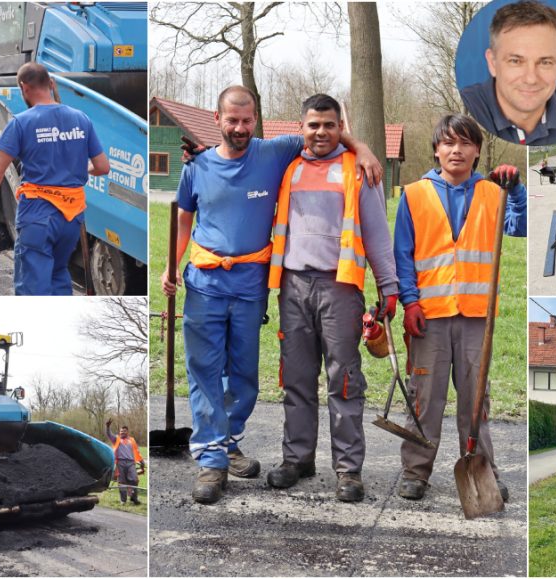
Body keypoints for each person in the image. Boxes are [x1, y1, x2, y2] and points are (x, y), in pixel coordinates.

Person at [161, 86, 381, 505]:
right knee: (204, 370)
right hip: (205, 284)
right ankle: (211, 461)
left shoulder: (274, 152)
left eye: (247, 121)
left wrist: (365, 149)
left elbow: (325, 134)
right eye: (232, 120)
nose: (240, 128)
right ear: (217, 118)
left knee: (245, 375)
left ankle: (228, 441)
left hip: (252, 285)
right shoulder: (197, 166)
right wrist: (171, 265)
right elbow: (184, 218)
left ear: (256, 120)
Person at [264, 94, 398, 503]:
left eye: (329, 125)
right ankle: (297, 459)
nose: (321, 132)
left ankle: (348, 470)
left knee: (344, 380)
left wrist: (389, 287)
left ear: (341, 127)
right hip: (293, 287)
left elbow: (376, 233)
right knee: (297, 378)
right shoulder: (288, 168)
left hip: (340, 288)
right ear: (300, 128)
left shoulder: (359, 169)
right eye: (313, 125)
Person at [392, 114, 527, 502]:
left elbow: (518, 227)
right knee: (424, 399)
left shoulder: (493, 192)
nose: (457, 150)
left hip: (476, 319)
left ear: (477, 151)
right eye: (449, 143)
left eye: (466, 143)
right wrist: (410, 303)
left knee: (475, 401)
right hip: (429, 318)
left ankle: (482, 471)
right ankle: (415, 472)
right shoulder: (414, 194)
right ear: (436, 149)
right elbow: (403, 255)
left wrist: (516, 190)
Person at [0, 63, 110, 295]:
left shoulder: (22, 123)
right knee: (58, 275)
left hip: (38, 216)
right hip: (71, 217)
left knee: (32, 288)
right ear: (50, 84)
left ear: (24, 87)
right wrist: (77, 169)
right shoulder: (81, 119)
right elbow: (102, 167)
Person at [460, 0, 556, 146]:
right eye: (515, 61)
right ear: (492, 63)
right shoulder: (467, 110)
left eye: (545, 62)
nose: (531, 79)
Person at [106, 418, 145, 505]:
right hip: (120, 463)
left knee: (134, 480)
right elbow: (109, 434)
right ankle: (123, 500)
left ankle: (134, 498)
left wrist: (141, 461)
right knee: (121, 481)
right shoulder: (116, 439)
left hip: (131, 463)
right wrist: (108, 427)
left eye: (124, 431)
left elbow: (137, 451)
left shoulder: (132, 440)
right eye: (121, 431)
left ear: (127, 432)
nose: (122, 433)